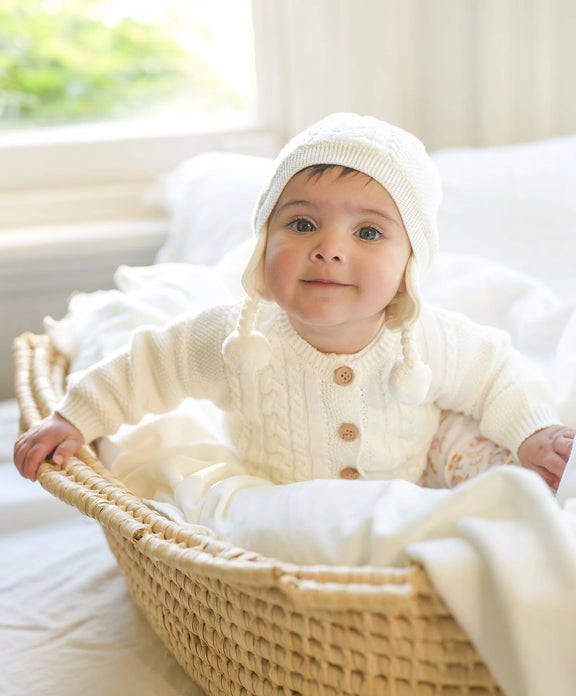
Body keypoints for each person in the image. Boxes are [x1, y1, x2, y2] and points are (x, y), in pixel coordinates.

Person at [14, 112, 575, 493]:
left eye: (369, 233)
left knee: (492, 465)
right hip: (283, 505)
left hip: (412, 487)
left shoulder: (428, 341)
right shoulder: (236, 342)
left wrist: (533, 432)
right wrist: (73, 417)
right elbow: (147, 365)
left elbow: (498, 373)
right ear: (263, 245)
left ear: (410, 266)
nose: (329, 249)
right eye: (303, 224)